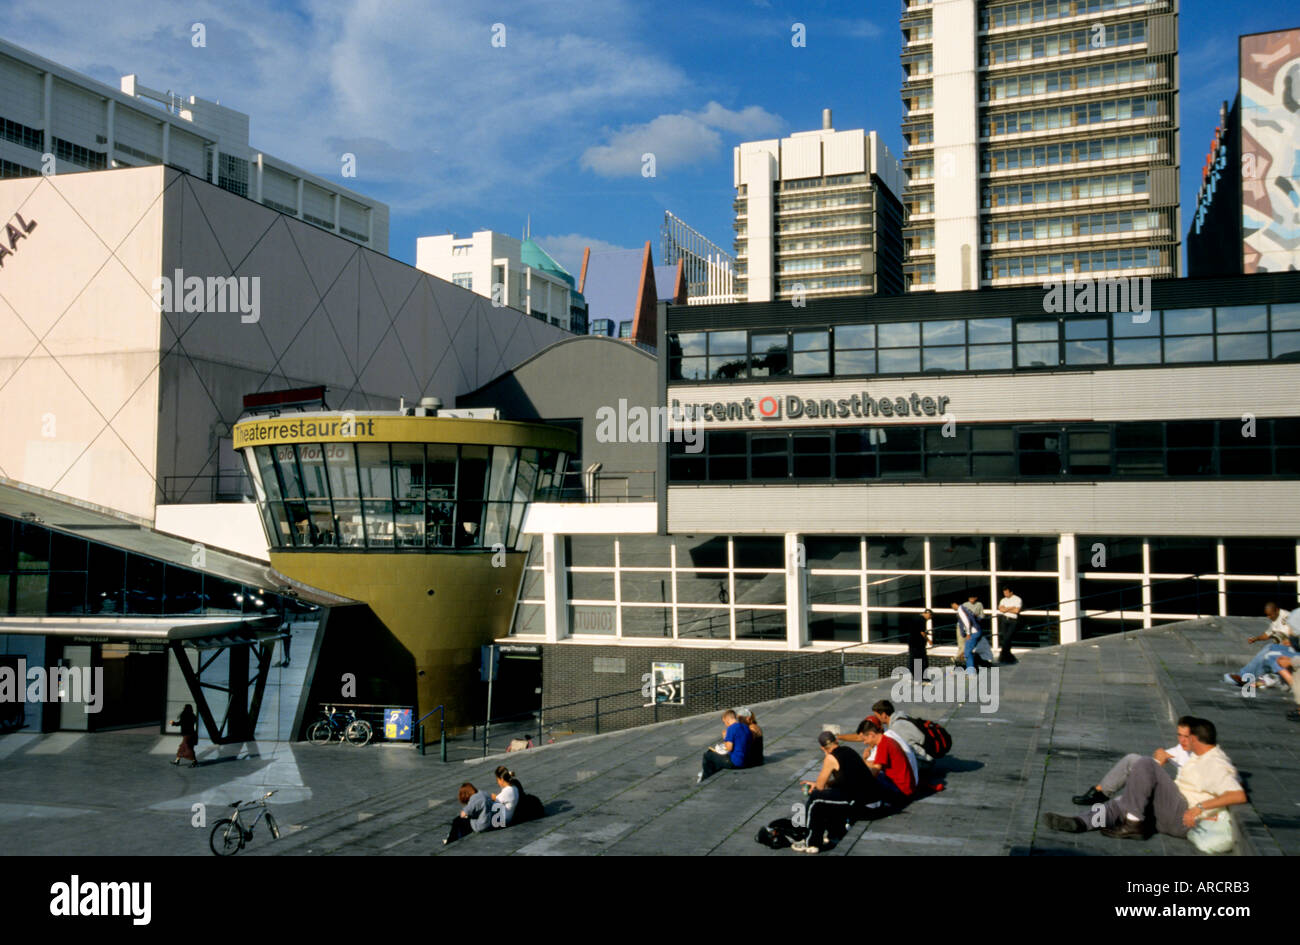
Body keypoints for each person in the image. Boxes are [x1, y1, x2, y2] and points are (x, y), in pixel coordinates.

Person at [1044, 718, 1246, 852]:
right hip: (1170, 812)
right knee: (1122, 802)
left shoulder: (1215, 762)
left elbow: (1238, 795)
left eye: (1186, 737)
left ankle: (1134, 824)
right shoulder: (1199, 756)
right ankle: (1080, 823)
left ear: (1194, 738)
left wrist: (1200, 808)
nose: (1183, 741)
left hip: (1182, 816)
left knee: (1145, 763)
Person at [794, 731, 892, 854]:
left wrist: (826, 758)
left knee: (815, 799)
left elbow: (819, 787)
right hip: (875, 802)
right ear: (837, 741)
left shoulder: (830, 757)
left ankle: (811, 842)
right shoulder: (848, 750)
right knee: (831, 796)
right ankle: (833, 831)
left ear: (822, 748)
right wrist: (828, 784)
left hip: (864, 807)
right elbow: (844, 778)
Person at [1069, 718, 1195, 806]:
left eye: (1186, 737)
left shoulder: (1206, 757)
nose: (1182, 740)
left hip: (1182, 800)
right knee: (1132, 759)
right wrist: (1160, 757)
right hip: (1172, 791)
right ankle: (1100, 792)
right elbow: (1154, 760)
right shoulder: (1181, 749)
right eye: (1179, 735)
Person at [1224, 601, 1295, 688]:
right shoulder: (1275, 619)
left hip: (1293, 648)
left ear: (1277, 610)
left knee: (1270, 649)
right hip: (1286, 647)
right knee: (1270, 649)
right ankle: (1249, 676)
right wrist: (1256, 638)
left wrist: (1289, 642)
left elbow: (1291, 635)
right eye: (1267, 615)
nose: (1269, 617)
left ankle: (1245, 677)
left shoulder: (1287, 617)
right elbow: (1268, 634)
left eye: (1271, 615)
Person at [858, 717, 918, 802]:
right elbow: (876, 763)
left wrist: (861, 786)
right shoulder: (886, 740)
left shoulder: (883, 745)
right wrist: (864, 761)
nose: (865, 743)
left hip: (901, 791)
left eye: (865, 739)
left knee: (864, 781)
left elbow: (875, 770)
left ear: (871, 734)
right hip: (906, 787)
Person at [870, 699, 934, 768]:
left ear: (883, 715)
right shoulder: (901, 716)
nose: (876, 719)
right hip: (927, 756)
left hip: (923, 761)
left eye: (877, 716)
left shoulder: (897, 727)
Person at [697, 709, 752, 782]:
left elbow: (729, 748)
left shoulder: (731, 728)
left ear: (727, 719)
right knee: (715, 756)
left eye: (724, 722)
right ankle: (709, 773)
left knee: (707, 755)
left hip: (736, 762)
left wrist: (725, 738)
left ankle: (704, 779)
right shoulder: (746, 727)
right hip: (747, 760)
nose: (725, 724)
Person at [952, 601, 986, 675]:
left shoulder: (961, 609)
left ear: (954, 604)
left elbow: (967, 621)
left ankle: (971, 672)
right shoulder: (965, 608)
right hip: (977, 631)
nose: (952, 608)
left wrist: (968, 633)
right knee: (968, 651)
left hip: (973, 633)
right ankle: (971, 670)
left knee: (967, 652)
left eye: (952, 606)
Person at [997, 587, 1022, 664]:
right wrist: (1011, 608)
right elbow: (1001, 610)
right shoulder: (1003, 600)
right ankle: (1008, 657)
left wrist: (1006, 609)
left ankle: (1003, 656)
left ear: (1011, 592)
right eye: (1004, 593)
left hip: (1013, 621)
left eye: (1007, 593)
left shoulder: (1017, 599)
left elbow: (1016, 611)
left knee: (1007, 638)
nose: (1005, 594)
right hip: (1004, 620)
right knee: (1005, 639)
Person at [911, 611, 933, 676]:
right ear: (927, 613)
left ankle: (919, 677)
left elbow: (918, 630)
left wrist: (926, 633)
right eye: (930, 617)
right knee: (921, 661)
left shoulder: (916, 618)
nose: (929, 619)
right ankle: (920, 678)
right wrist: (929, 640)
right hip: (918, 644)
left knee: (918, 660)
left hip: (914, 643)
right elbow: (922, 632)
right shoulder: (922, 619)